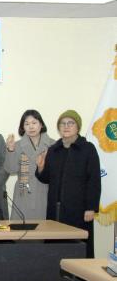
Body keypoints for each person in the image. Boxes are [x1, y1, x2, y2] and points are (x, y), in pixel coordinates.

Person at [35, 110, 101, 257]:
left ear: (78, 127)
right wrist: (40, 167)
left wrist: (91, 207)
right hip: (55, 209)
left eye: (70, 123)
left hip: (79, 210)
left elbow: (94, 180)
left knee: (78, 249)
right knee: (55, 249)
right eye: (62, 124)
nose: (66, 126)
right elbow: (46, 178)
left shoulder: (88, 149)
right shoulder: (53, 150)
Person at [4, 110, 55, 221]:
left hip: (44, 192)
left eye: (34, 123)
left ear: (41, 124)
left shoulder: (52, 144)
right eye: (27, 124)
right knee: (21, 228)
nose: (31, 127)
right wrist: (10, 150)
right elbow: (11, 169)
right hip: (23, 194)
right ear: (23, 127)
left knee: (45, 227)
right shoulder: (17, 145)